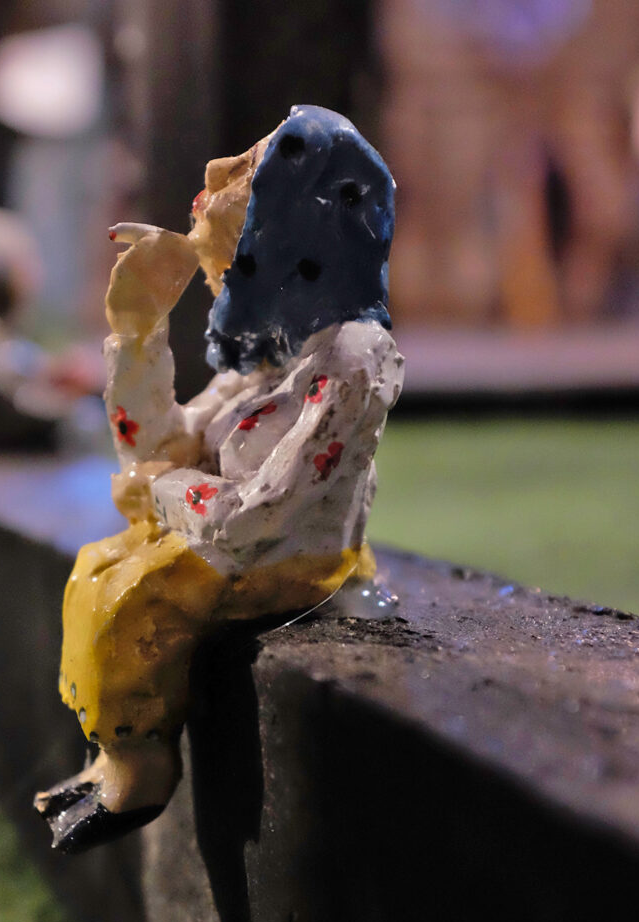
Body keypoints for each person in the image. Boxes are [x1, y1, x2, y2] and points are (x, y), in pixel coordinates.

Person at [35, 106, 404, 852]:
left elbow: (255, 516)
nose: (212, 274)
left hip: (290, 557)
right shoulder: (272, 353)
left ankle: (140, 772)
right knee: (95, 568)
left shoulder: (350, 358)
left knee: (128, 598)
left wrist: (161, 491)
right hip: (226, 535)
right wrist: (137, 330)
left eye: (226, 254)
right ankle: (112, 752)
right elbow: (159, 444)